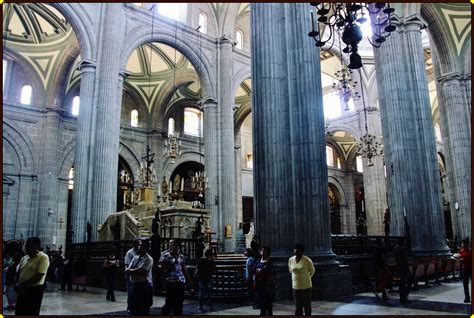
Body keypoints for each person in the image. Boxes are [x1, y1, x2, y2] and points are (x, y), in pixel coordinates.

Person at [14, 237, 50, 316]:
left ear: (37, 246)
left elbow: (39, 275)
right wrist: (16, 282)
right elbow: (18, 272)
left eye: (29, 246)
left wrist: (22, 285)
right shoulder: (24, 258)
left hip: (34, 291)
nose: (26, 248)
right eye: (26, 246)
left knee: (31, 312)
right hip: (22, 290)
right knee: (19, 312)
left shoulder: (43, 257)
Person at [159, 239, 193, 316]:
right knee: (169, 301)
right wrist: (163, 281)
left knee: (179, 301)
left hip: (180, 281)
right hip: (170, 281)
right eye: (172, 245)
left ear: (178, 247)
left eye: (175, 245)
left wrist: (190, 280)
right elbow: (163, 270)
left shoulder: (181, 257)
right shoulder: (166, 256)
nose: (173, 247)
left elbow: (184, 269)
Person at [126, 239, 154, 315]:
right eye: (139, 245)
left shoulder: (148, 259)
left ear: (146, 248)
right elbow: (127, 270)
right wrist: (135, 271)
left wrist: (133, 271)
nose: (139, 247)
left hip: (143, 285)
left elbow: (142, 271)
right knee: (133, 307)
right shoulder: (135, 257)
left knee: (143, 308)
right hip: (134, 284)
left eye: (142, 245)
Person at [288, 244, 315, 316]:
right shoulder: (291, 260)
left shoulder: (307, 260)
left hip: (306, 287)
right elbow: (291, 270)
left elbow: (312, 271)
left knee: (307, 306)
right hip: (295, 287)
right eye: (295, 249)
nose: (296, 251)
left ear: (302, 251)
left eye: (298, 249)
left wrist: (306, 278)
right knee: (298, 307)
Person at [254, 246, 275, 316]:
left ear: (267, 252)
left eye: (264, 251)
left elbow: (268, 269)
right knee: (261, 301)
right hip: (259, 283)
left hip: (267, 284)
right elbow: (253, 269)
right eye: (261, 250)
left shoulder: (269, 261)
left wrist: (260, 270)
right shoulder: (258, 261)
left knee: (268, 302)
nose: (262, 252)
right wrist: (257, 271)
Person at [124, 238, 141, 312]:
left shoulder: (140, 252)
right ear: (134, 244)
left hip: (138, 274)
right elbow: (126, 264)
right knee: (130, 291)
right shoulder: (130, 253)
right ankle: (129, 307)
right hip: (130, 274)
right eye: (138, 244)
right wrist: (129, 272)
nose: (139, 245)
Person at [394, 237, 411, 304]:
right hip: (404, 268)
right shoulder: (403, 249)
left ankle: (402, 297)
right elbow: (405, 260)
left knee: (402, 283)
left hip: (399, 267)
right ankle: (404, 297)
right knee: (409, 281)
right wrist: (407, 269)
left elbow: (397, 259)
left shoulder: (395, 248)